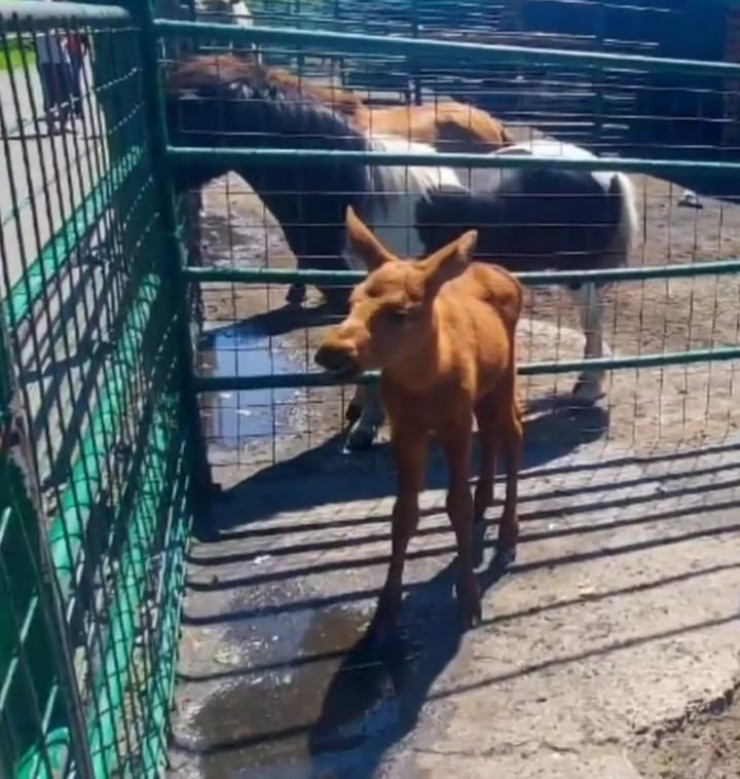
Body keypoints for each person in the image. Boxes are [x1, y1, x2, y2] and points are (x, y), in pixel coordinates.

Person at [35, 28, 72, 133]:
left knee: (66, 92)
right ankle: (51, 125)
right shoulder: (38, 24)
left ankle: (64, 122)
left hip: (63, 59)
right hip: (46, 60)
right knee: (50, 94)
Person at [66, 32, 89, 121]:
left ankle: (77, 108)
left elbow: (85, 40)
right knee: (72, 82)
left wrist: (84, 51)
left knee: (74, 82)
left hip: (75, 54)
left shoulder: (76, 30)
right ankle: (75, 107)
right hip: (70, 54)